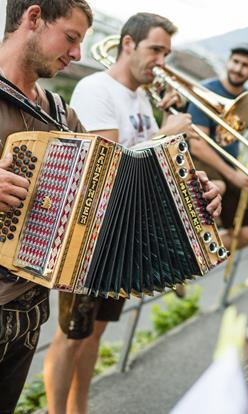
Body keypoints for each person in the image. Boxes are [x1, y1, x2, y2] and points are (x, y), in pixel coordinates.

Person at [44, 12, 222, 414]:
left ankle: (79, 408)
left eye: (167, 52)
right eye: (155, 49)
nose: (162, 61)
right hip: (91, 234)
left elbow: (150, 169)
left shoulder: (143, 97)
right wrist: (167, 133)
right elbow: (106, 166)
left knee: (94, 336)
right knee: (70, 336)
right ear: (128, 44)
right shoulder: (95, 89)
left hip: (123, 237)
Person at [0, 1, 93, 413]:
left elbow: (111, 181)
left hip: (29, 310)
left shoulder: (62, 116)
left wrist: (186, 189)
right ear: (33, 18)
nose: (76, 54)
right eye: (71, 38)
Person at [187, 43, 248, 250]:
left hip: (228, 169)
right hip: (206, 167)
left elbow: (233, 140)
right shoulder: (207, 91)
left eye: (245, 65)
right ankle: (188, 259)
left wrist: (239, 172)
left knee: (246, 233)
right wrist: (233, 175)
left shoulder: (247, 100)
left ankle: (194, 256)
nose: (238, 68)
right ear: (228, 62)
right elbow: (197, 145)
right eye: (235, 61)